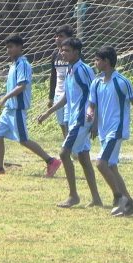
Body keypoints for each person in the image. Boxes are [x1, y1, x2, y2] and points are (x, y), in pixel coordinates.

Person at [86, 46, 133, 217]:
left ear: (106, 61)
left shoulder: (121, 81)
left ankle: (118, 197)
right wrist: (91, 116)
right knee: (112, 167)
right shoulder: (96, 82)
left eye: (97, 60)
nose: (95, 63)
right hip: (104, 130)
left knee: (101, 163)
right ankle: (129, 203)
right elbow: (92, 105)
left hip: (116, 130)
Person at [37, 38, 101, 208]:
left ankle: (73, 195)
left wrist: (95, 121)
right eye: (61, 50)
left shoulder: (83, 70)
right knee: (84, 158)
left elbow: (96, 95)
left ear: (76, 52)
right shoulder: (70, 69)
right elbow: (66, 96)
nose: (61, 53)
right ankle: (96, 198)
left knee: (64, 153)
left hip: (82, 120)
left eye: (66, 50)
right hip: (73, 119)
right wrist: (48, 113)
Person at [0, 35, 62, 177]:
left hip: (17, 109)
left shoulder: (23, 64)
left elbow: (21, 86)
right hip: (9, 109)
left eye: (12, 47)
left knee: (24, 140)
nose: (9, 50)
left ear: (20, 47)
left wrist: (6, 97)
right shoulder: (13, 65)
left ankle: (51, 161)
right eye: (7, 47)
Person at [48, 25, 75, 138]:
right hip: (58, 94)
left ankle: (71, 149)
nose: (57, 38)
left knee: (69, 122)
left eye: (61, 36)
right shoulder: (55, 55)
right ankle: (67, 146)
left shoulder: (74, 55)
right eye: (56, 36)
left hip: (70, 95)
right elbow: (53, 76)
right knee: (62, 124)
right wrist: (51, 97)